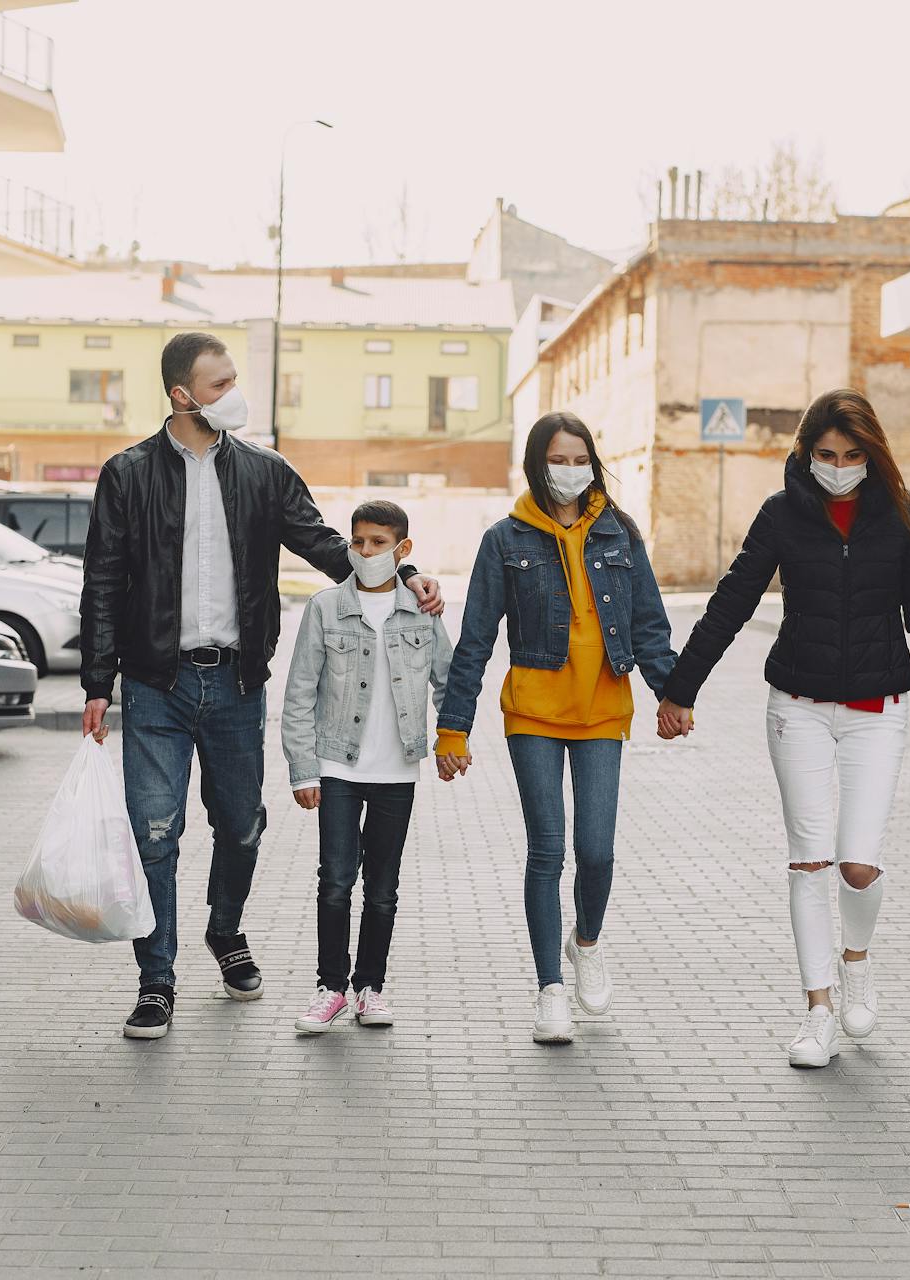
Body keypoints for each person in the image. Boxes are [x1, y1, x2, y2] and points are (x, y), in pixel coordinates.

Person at [80, 332, 442, 1041]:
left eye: (232, 380)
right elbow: (102, 580)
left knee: (241, 827)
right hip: (155, 685)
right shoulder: (127, 474)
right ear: (182, 395)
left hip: (238, 684)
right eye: (220, 385)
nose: (233, 394)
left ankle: (225, 929)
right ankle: (157, 981)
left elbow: (327, 546)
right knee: (157, 834)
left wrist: (401, 575)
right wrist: (98, 681)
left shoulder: (265, 473)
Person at [657, 388, 910, 1069]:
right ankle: (818, 1012)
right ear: (806, 453)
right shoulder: (783, 514)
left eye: (853, 455)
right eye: (826, 454)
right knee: (809, 860)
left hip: (876, 713)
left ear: (873, 454)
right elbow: (732, 600)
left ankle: (856, 962)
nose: (839, 466)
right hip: (796, 706)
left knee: (857, 864)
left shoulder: (902, 514)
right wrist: (681, 690)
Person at [435, 412, 677, 1045]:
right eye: (558, 459)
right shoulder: (504, 540)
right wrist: (453, 727)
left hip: (604, 709)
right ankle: (549, 991)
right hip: (534, 711)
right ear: (537, 464)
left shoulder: (620, 533)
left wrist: (672, 694)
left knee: (596, 851)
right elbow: (477, 639)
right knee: (548, 849)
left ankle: (586, 942)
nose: (570, 471)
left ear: (593, 465)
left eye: (580, 460)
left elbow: (649, 621)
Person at [281, 500, 452, 1034]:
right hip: (337, 767)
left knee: (382, 887)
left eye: (379, 543)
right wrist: (304, 769)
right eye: (358, 542)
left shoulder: (421, 611)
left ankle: (370, 988)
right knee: (334, 879)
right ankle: (330, 987)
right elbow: (299, 692)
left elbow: (449, 682)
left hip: (396, 773)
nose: (366, 552)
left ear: (402, 550)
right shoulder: (325, 608)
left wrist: (452, 740)